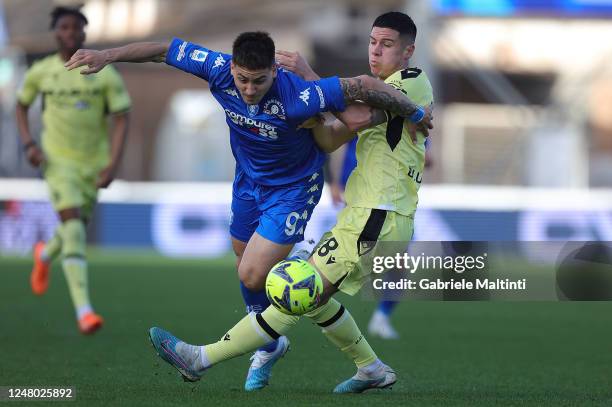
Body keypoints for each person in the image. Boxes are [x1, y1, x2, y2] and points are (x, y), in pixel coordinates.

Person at [65, 30, 432, 389]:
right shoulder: (219, 68)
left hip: (302, 192)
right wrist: (105, 56)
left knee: (278, 284)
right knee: (266, 277)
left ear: (274, 70)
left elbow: (356, 102)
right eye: (243, 80)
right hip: (253, 185)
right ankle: (359, 364)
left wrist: (414, 111)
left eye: (259, 81)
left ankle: (200, 358)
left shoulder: (312, 93)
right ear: (232, 68)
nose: (249, 89)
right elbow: (164, 49)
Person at [15, 6, 131, 335]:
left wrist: (113, 163)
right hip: (56, 162)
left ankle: (44, 254)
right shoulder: (40, 72)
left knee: (73, 226)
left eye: (76, 28)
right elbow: (20, 106)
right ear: (55, 32)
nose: (70, 33)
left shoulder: (104, 73)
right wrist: (28, 144)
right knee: (75, 229)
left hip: (92, 165)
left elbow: (122, 116)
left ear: (84, 33)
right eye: (64, 27)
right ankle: (85, 311)